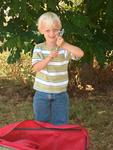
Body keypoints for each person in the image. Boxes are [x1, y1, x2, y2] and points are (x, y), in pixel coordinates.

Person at [32, 12, 84, 125]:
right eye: (47, 30)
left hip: (60, 93)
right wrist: (49, 57)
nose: (52, 33)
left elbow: (80, 53)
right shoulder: (38, 48)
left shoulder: (65, 49)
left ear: (60, 30)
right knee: (41, 122)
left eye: (55, 29)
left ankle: (58, 142)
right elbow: (36, 68)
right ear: (41, 31)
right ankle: (43, 142)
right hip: (42, 93)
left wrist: (64, 45)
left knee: (60, 123)